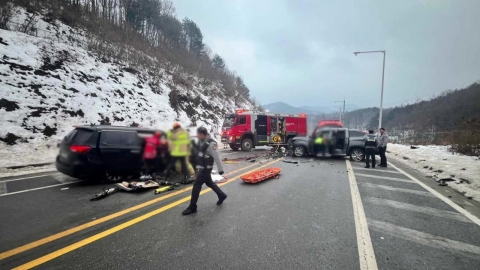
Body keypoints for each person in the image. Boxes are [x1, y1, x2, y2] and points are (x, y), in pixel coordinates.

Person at [182, 127, 227, 215]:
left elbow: (217, 157)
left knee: (196, 186)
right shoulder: (201, 141)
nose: (197, 136)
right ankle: (221, 195)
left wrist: (220, 169)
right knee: (209, 182)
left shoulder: (211, 143)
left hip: (206, 169)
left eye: (198, 135)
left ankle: (192, 207)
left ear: (202, 135)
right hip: (202, 168)